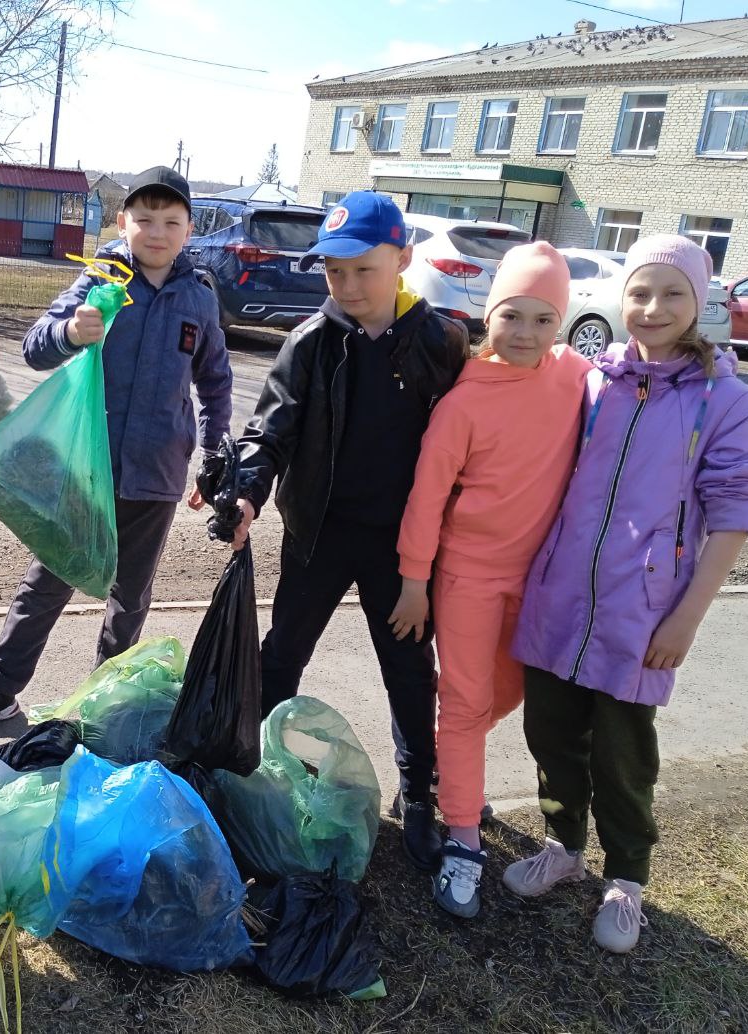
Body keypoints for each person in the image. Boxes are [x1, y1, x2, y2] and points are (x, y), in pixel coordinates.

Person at [503, 234, 748, 952]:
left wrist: (687, 615)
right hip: (561, 594)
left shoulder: (724, 399)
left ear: (701, 302)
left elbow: (737, 510)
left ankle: (627, 878)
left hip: (644, 611)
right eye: (640, 293)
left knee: (623, 754)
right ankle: (563, 846)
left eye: (672, 293)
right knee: (550, 733)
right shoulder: (595, 382)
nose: (653, 308)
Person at [228, 191, 469, 872]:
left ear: (403, 260)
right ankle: (252, 769)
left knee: (408, 670)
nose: (349, 286)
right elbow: (269, 430)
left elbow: (470, 447)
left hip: (403, 548)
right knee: (281, 655)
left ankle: (418, 794)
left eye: (365, 270)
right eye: (335, 272)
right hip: (320, 533)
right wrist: (246, 494)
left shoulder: (439, 343)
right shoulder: (309, 343)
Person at [0, 166, 232, 736]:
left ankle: (108, 705)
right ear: (122, 222)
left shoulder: (198, 298)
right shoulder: (102, 279)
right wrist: (73, 334)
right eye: (144, 219)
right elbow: (34, 349)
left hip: (156, 474)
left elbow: (217, 381)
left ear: (189, 229)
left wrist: (215, 455)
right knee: (47, 582)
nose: (156, 232)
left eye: (171, 221)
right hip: (83, 471)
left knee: (129, 600)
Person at [391, 242, 590, 917]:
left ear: (560, 325)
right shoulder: (464, 401)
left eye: (543, 319)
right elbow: (424, 497)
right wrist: (415, 582)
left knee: (506, 695)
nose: (526, 333)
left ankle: (453, 772)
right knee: (468, 704)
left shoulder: (574, 376)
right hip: (469, 579)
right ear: (489, 315)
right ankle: (463, 843)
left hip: (538, 581)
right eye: (512, 315)